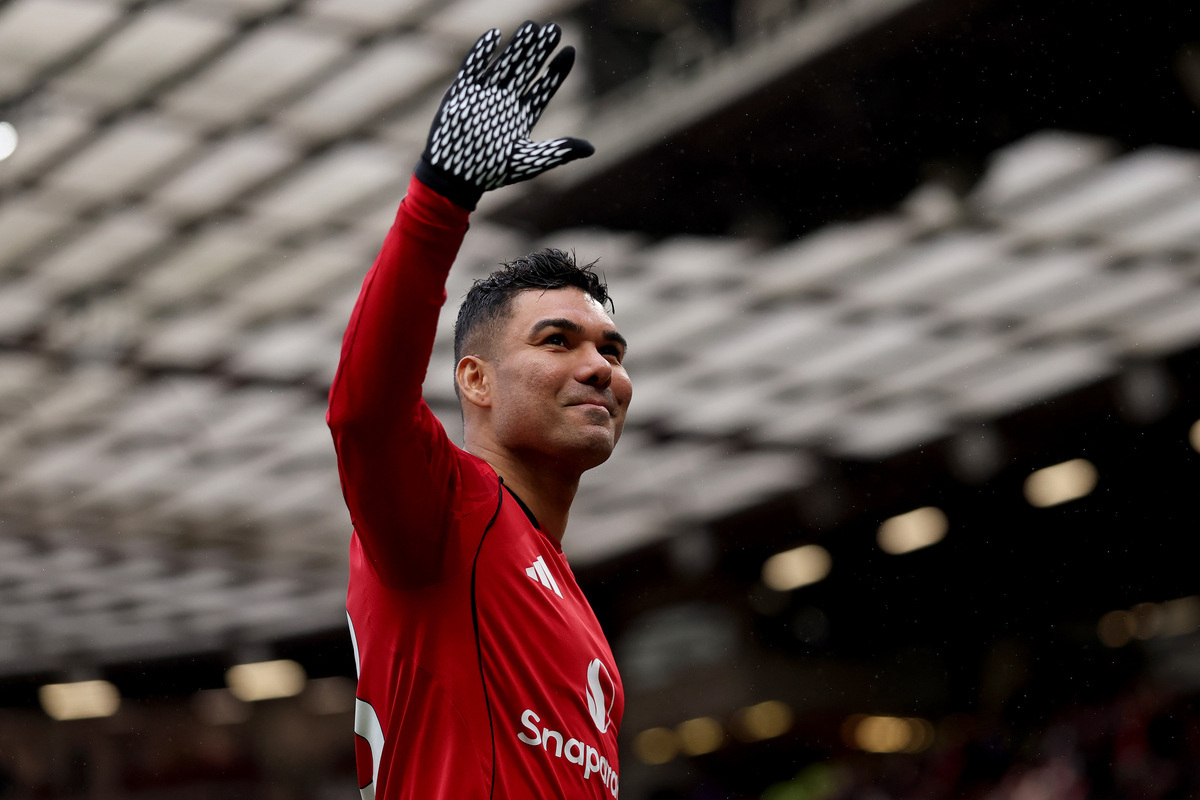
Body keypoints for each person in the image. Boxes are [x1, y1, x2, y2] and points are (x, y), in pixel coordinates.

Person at [326, 21, 631, 799]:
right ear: (475, 380)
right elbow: (365, 413)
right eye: (557, 340)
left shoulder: (577, 613)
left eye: (613, 350)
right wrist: (440, 203)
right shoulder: (446, 513)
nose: (600, 367)